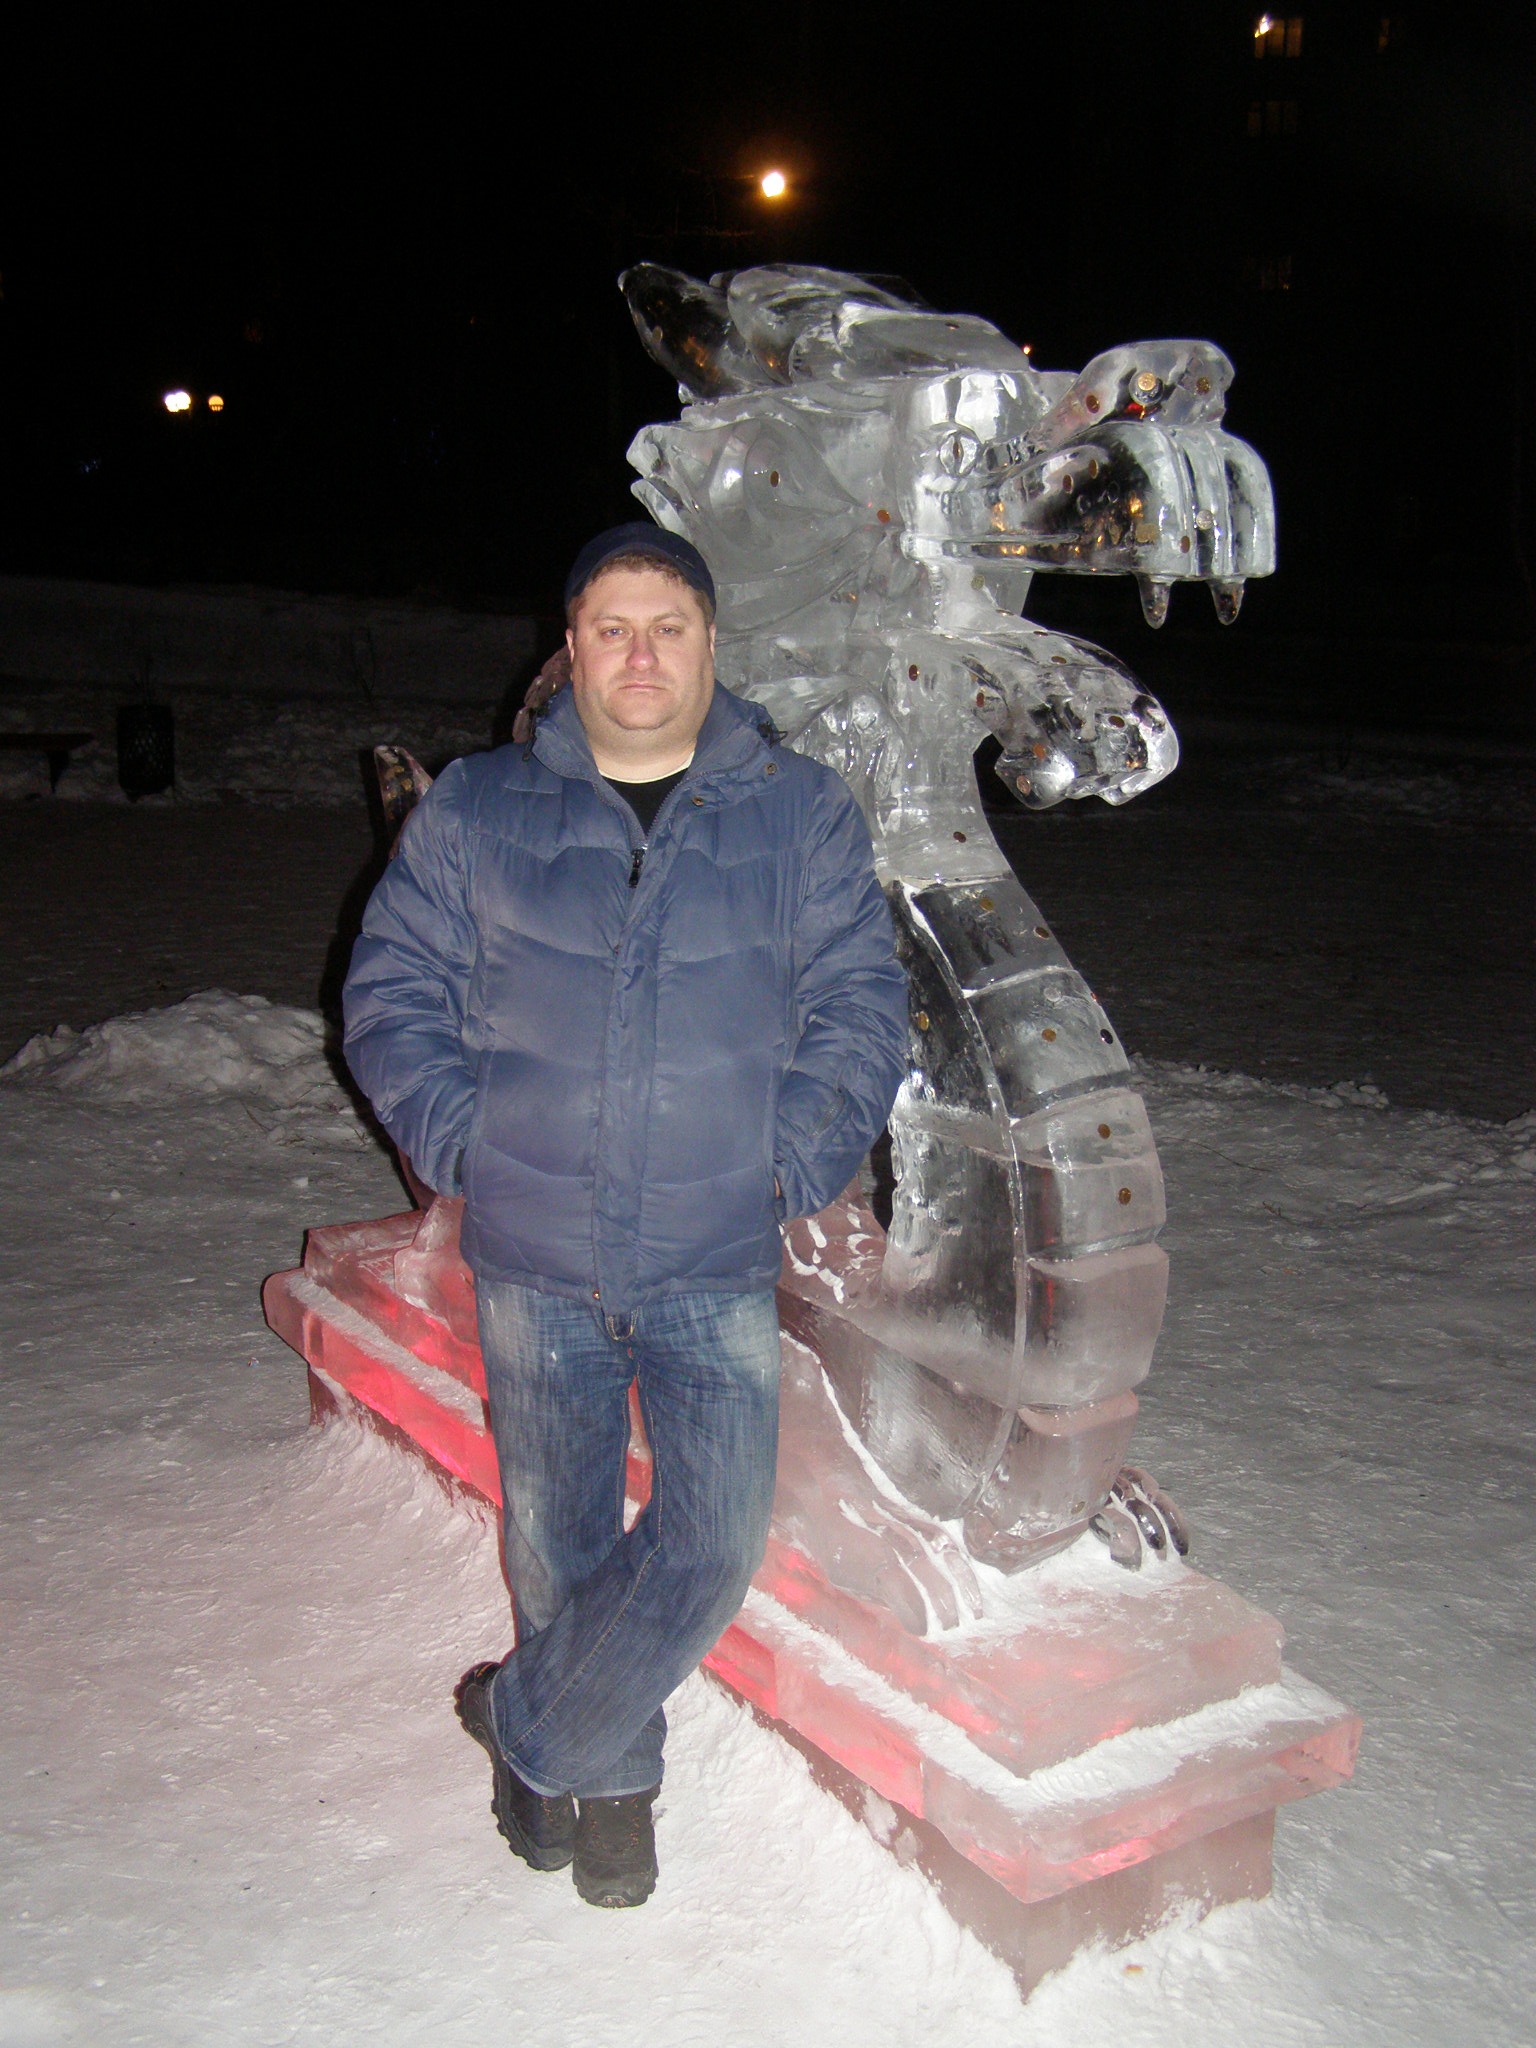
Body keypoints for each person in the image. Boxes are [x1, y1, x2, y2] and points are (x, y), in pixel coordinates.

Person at [342, 523, 908, 1907]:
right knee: (559, 1540)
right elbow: (391, 993)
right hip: (536, 1252)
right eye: (612, 627)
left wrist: (785, 1162)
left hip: (715, 1251)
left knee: (709, 1547)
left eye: (669, 627)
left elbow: (859, 1008)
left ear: (711, 646)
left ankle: (527, 1725)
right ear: (571, 650)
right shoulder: (478, 808)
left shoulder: (799, 813)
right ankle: (611, 1792)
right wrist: (469, 1145)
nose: (640, 654)